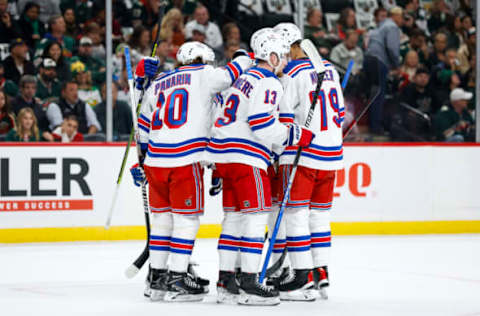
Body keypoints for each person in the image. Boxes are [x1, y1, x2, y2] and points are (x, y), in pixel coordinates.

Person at [130, 41, 252, 302]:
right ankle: (177, 278)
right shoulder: (205, 75)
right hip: (185, 159)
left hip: (155, 161)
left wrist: (141, 159)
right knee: (186, 221)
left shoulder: (160, 80)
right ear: (205, 59)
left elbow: (143, 124)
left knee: (162, 222)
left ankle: (157, 278)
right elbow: (230, 74)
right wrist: (245, 57)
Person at [207, 29, 314, 306]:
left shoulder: (241, 78)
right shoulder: (269, 82)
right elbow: (262, 125)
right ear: (273, 55)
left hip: (223, 157)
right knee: (255, 217)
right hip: (246, 158)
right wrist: (295, 135)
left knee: (233, 219)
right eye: (285, 56)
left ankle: (226, 282)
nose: (287, 61)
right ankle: (251, 283)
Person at [274, 22, 344, 301]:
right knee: (320, 215)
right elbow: (338, 110)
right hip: (331, 152)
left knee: (296, 215)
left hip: (304, 154)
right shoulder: (330, 69)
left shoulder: (291, 72)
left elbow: (284, 115)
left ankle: (300, 277)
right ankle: (321, 272)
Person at [364, 6, 404, 134]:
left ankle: (372, 124)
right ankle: (376, 127)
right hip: (378, 61)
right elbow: (392, 48)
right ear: (396, 16)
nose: (402, 20)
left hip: (369, 59)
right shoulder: (392, 26)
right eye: (401, 16)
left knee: (372, 93)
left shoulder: (380, 25)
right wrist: (397, 65)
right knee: (378, 94)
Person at [11, 75, 53, 141]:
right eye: (27, 87)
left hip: (37, 138)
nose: (30, 90)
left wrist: (44, 133)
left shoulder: (38, 106)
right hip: (19, 138)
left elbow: (44, 125)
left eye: (33, 88)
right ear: (21, 88)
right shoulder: (14, 104)